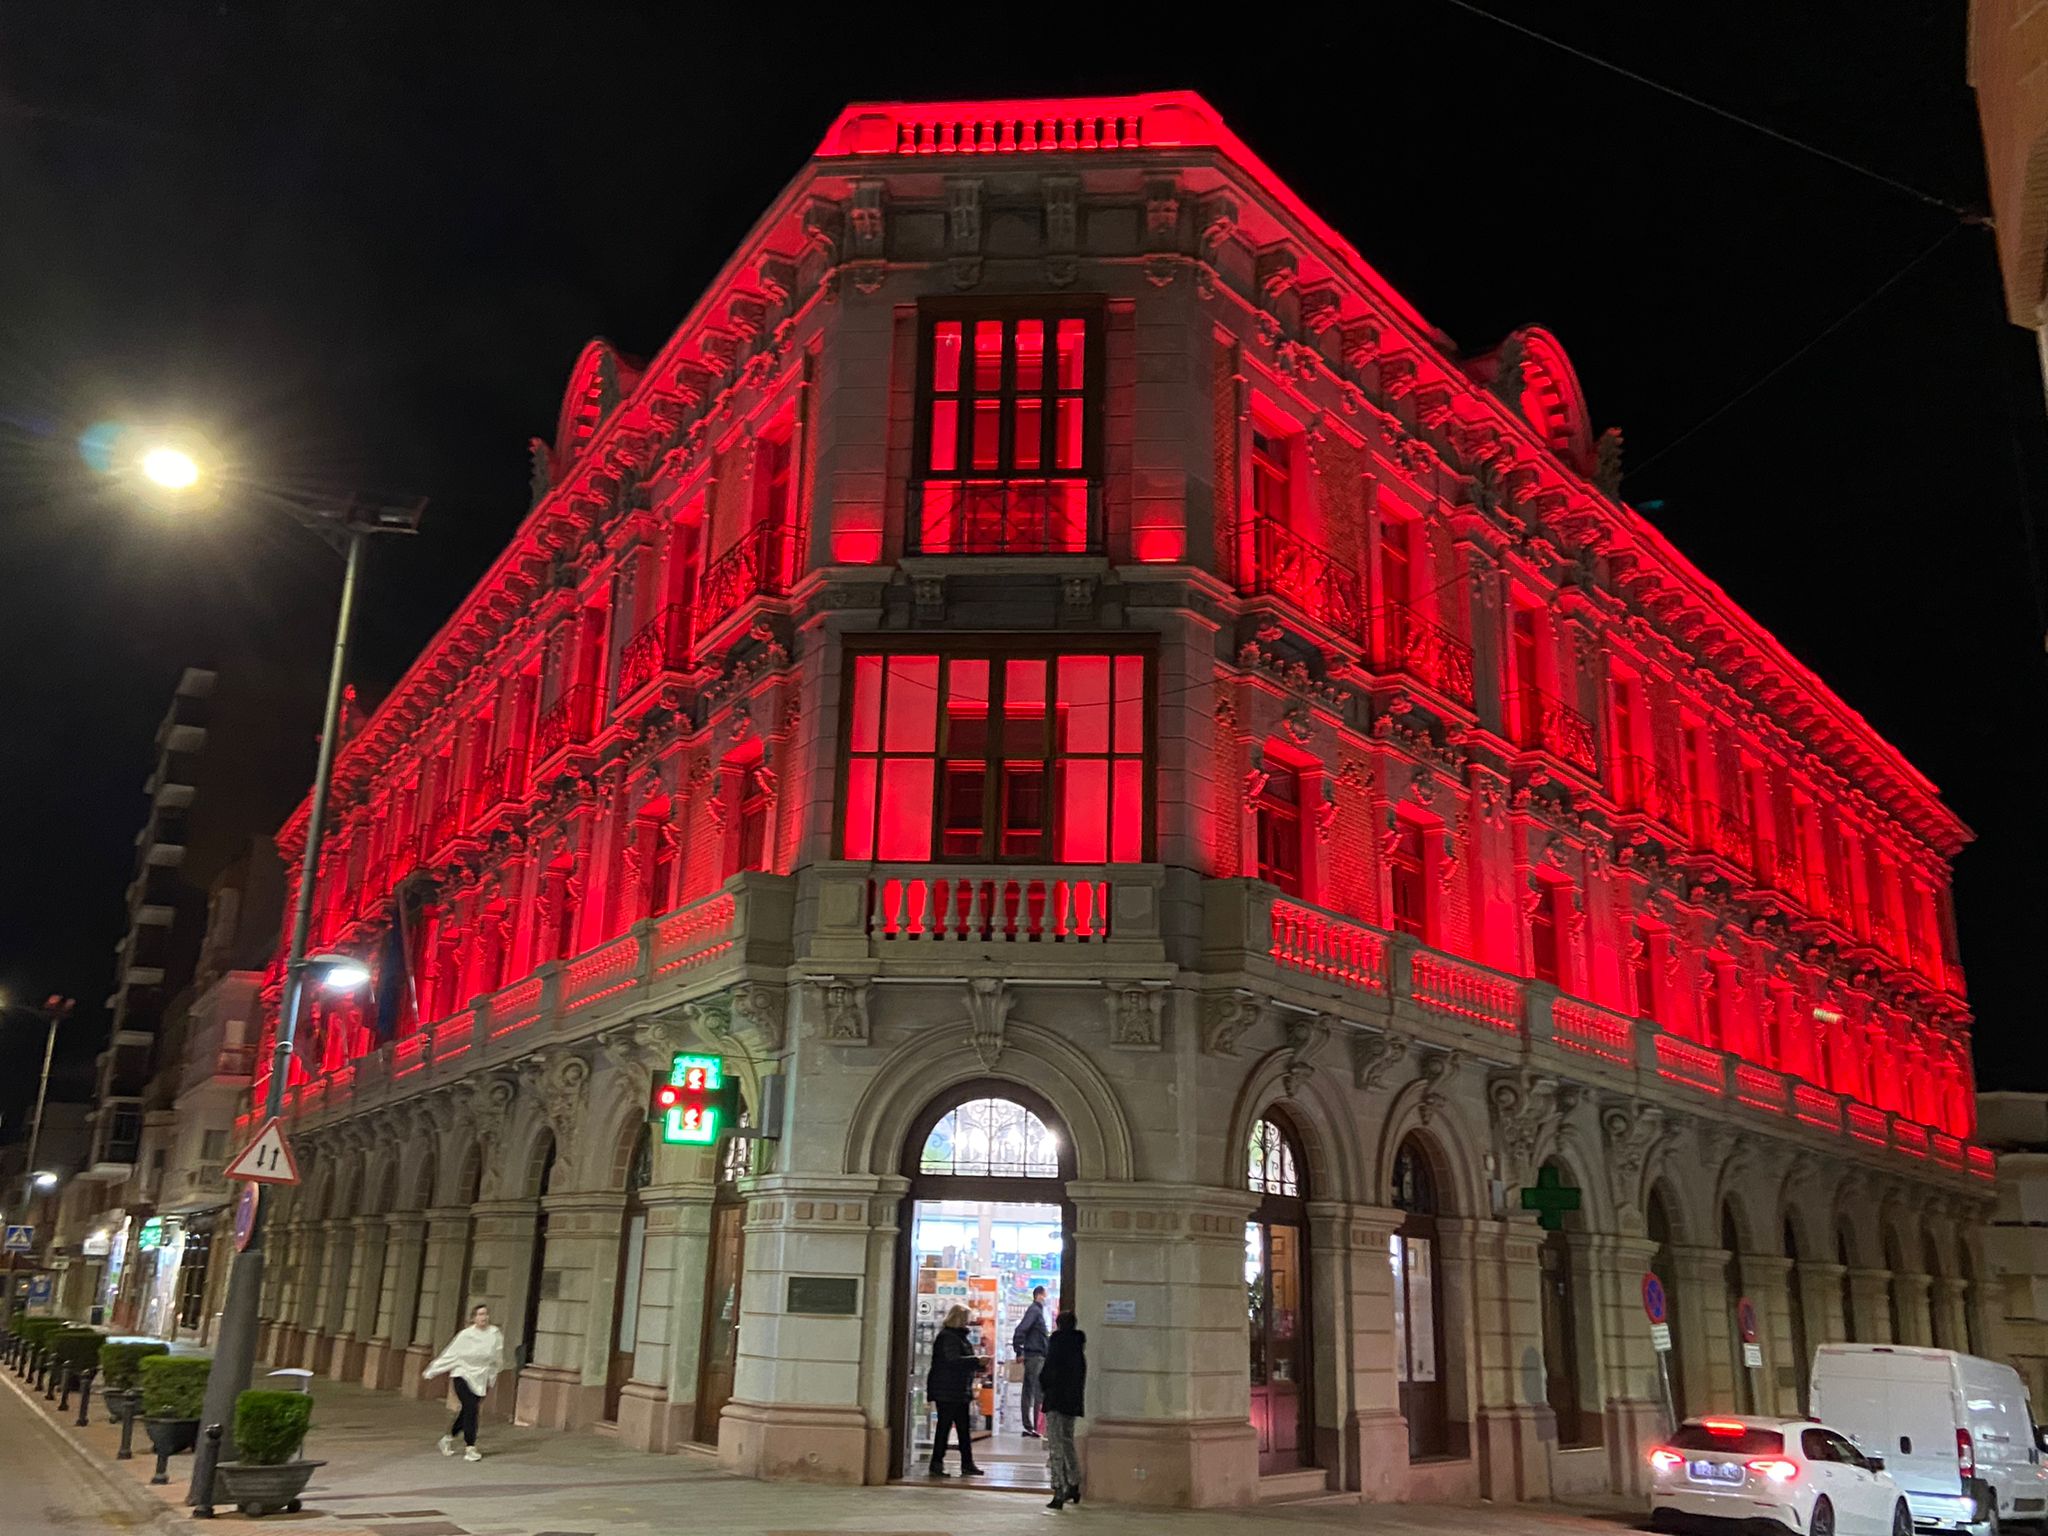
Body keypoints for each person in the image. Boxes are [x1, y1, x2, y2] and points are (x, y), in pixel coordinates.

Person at [424, 1303, 508, 1462]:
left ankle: (448, 1438)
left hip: (481, 1377)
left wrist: (492, 1376)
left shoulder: (494, 1334)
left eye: (485, 1314)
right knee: (471, 1408)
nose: (483, 1317)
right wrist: (432, 1370)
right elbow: (450, 1355)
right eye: (480, 1314)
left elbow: (496, 1359)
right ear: (473, 1318)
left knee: (467, 1411)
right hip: (462, 1375)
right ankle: (470, 1447)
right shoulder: (465, 1335)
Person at [925, 1303, 984, 1477]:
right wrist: (976, 1361)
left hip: (957, 1389)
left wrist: (976, 1363)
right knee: (945, 1427)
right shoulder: (949, 1337)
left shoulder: (956, 1336)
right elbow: (953, 1361)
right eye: (967, 1318)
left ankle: (966, 1463)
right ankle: (938, 1463)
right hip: (949, 1390)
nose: (970, 1322)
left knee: (962, 1428)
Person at [1037, 1310, 1086, 1509]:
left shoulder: (1056, 1345)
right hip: (1072, 1403)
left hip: (1056, 1400)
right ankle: (1074, 1483)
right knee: (1068, 1442)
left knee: (1056, 1445)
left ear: (1058, 1324)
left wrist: (1045, 1389)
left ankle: (1058, 1488)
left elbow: (1047, 1373)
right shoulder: (1078, 1347)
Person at [1011, 1284, 1050, 1437]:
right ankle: (1036, 1426)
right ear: (1039, 1295)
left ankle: (1030, 1426)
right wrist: (1019, 1350)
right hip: (1035, 1356)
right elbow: (1021, 1330)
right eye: (1045, 1295)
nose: (1046, 1299)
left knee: (1028, 1390)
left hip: (1032, 1355)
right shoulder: (1034, 1311)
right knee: (1037, 1391)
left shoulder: (1036, 1311)